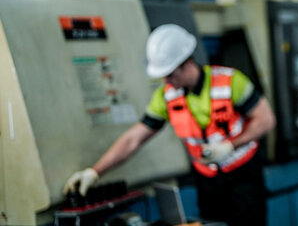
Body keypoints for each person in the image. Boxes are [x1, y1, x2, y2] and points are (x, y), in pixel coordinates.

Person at [64, 24, 276, 226]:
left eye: (170, 74)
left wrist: (231, 145)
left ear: (186, 63)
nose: (167, 81)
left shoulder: (230, 81)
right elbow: (133, 139)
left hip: (244, 177)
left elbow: (266, 120)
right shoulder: (166, 97)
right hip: (207, 182)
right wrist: (95, 171)